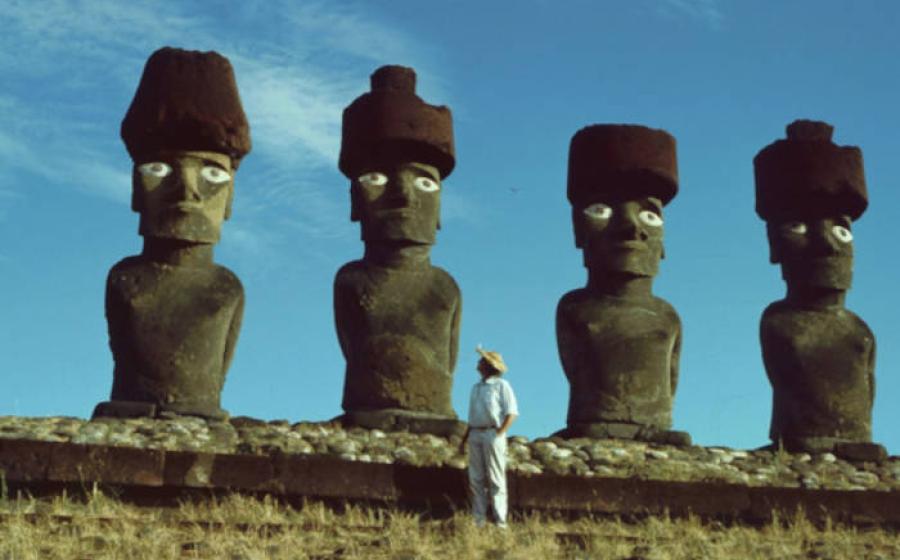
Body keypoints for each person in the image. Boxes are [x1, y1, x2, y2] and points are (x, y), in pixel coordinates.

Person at [460, 346, 518, 528]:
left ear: (488, 365)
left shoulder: (502, 385)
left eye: (481, 361)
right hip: (475, 433)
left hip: (492, 433)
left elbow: (512, 412)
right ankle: (479, 520)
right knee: (476, 478)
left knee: (495, 477)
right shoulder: (475, 388)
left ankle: (500, 521)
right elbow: (472, 417)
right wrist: (464, 440)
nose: (478, 363)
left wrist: (499, 433)